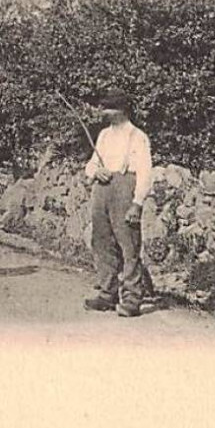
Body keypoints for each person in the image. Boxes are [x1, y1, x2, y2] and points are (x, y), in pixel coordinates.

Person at [83, 89, 153, 318]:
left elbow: (144, 173)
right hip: (102, 189)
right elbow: (91, 165)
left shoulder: (138, 136)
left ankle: (132, 298)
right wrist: (97, 171)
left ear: (121, 110)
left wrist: (137, 203)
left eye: (108, 108)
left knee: (129, 244)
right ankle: (107, 293)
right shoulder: (104, 135)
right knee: (101, 241)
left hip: (125, 188)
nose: (104, 112)